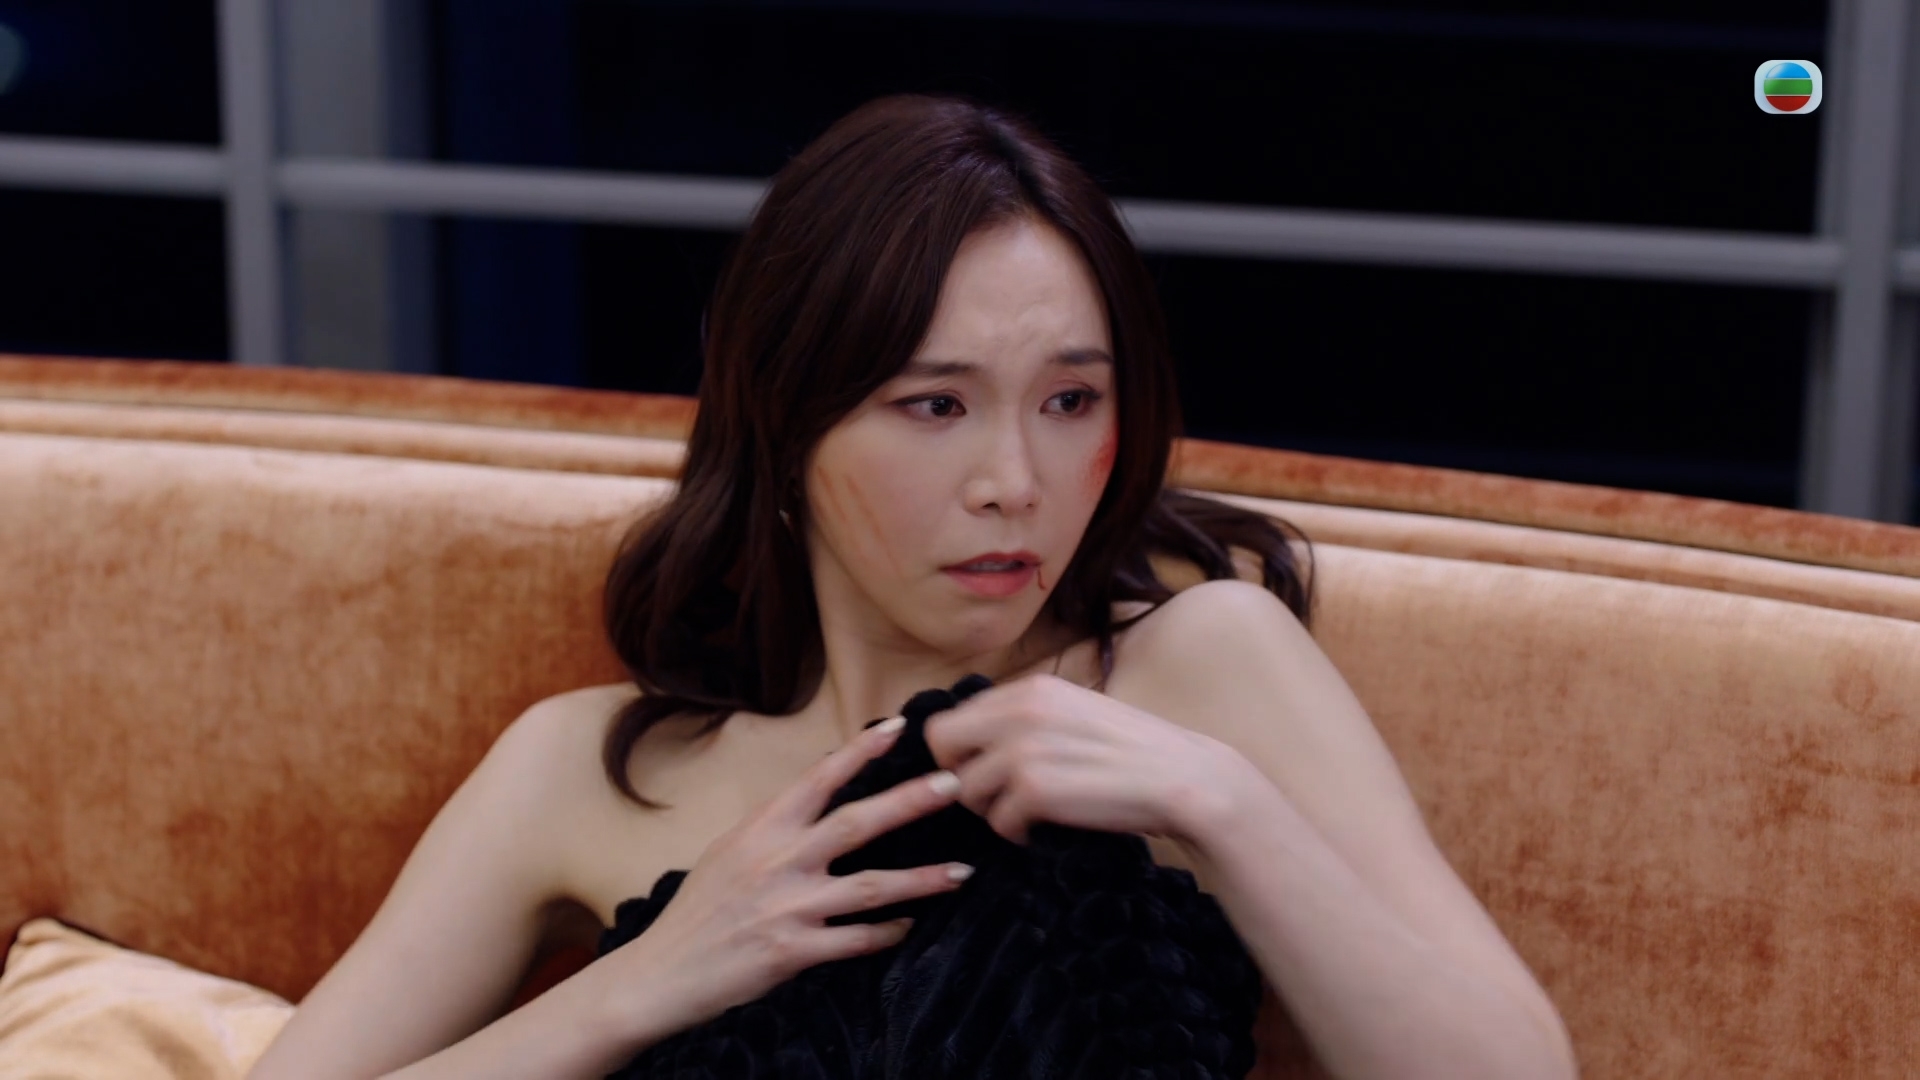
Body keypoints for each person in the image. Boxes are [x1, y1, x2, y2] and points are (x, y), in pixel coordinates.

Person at [247, 94, 1578, 1080]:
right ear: (788, 428)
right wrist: (638, 986)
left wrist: (1217, 803)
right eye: (936, 405)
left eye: (1071, 401)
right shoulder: (591, 774)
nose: (1015, 481)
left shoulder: (1196, 668)